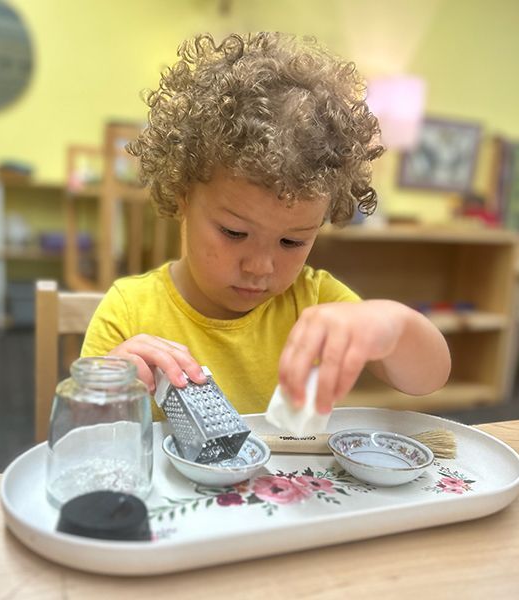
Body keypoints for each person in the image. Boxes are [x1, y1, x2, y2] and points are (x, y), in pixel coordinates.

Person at [82, 32, 450, 419]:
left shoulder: (312, 303)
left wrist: (390, 324)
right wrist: (111, 389)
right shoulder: (128, 311)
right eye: (234, 233)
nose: (260, 266)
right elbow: (83, 441)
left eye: (291, 241)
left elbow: (430, 379)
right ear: (183, 195)